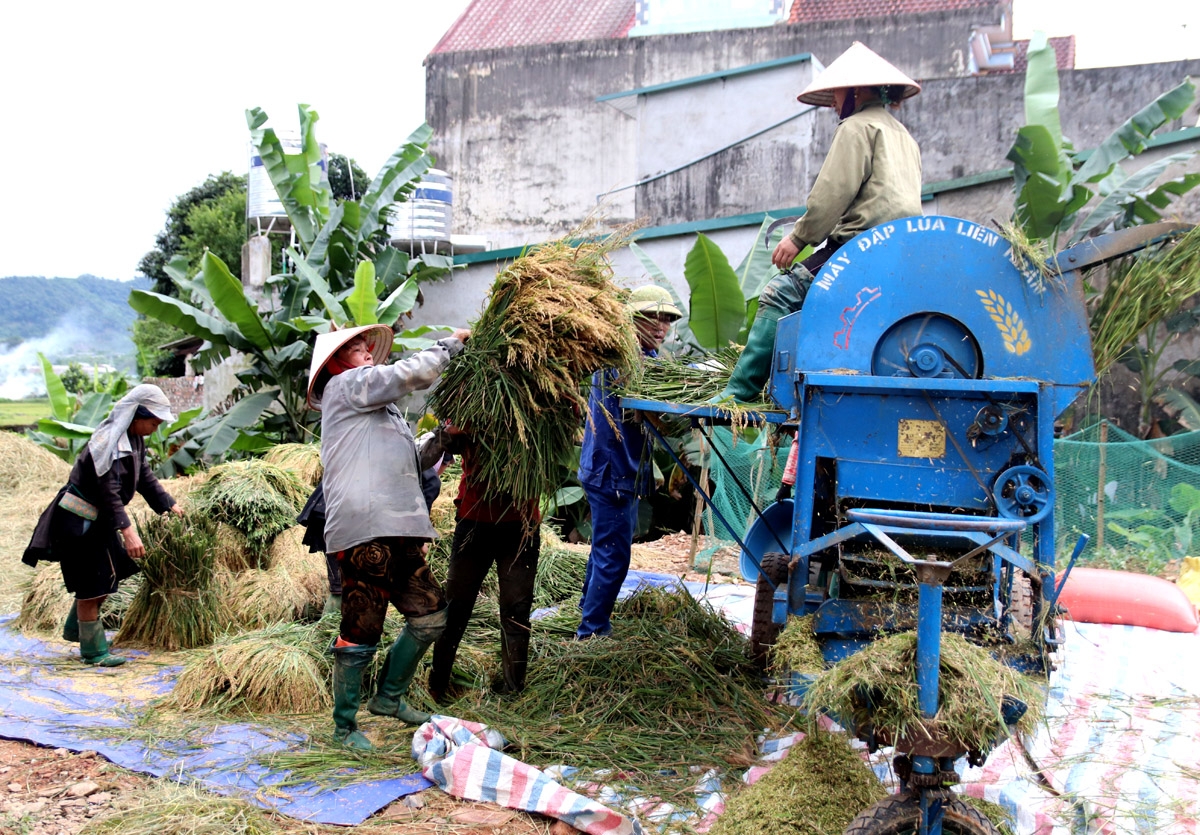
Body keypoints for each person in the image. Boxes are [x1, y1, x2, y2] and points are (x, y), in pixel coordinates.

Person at [720, 41, 923, 402]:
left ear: (857, 91)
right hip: (900, 251)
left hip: (860, 246)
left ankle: (740, 393)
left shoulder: (857, 127)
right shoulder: (903, 136)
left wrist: (799, 239)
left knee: (781, 293)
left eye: (837, 93)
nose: (832, 101)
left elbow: (833, 193)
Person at [308, 322, 469, 750]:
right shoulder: (345, 387)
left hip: (398, 526)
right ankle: (344, 727)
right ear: (337, 362)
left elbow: (414, 459)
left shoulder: (382, 411)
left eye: (366, 348)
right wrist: (449, 346)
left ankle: (388, 698)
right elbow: (407, 374)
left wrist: (443, 440)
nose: (367, 354)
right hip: (365, 528)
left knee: (431, 615)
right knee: (363, 625)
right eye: (358, 348)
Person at [23, 384, 183, 667]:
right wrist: (129, 531)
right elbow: (108, 492)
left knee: (113, 572)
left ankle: (77, 630)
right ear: (136, 415)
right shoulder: (106, 442)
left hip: (100, 521)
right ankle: (94, 652)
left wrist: (168, 504)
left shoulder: (134, 440)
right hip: (79, 521)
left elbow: (144, 477)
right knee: (92, 584)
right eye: (153, 422)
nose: (155, 429)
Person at [575, 285, 682, 640]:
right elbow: (656, 415)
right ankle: (591, 633)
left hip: (615, 472)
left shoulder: (638, 359)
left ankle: (586, 611)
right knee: (613, 556)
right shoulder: (625, 362)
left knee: (604, 548)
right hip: (613, 473)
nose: (661, 327)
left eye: (666, 320)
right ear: (632, 320)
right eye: (653, 318)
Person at [427, 424, 541, 702]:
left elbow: (566, 424)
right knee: (455, 608)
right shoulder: (473, 403)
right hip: (475, 521)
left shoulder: (541, 403)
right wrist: (450, 431)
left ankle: (513, 691)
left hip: (521, 525)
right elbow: (435, 451)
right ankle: (438, 685)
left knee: (517, 610)